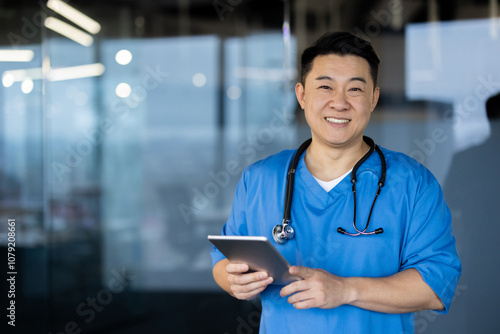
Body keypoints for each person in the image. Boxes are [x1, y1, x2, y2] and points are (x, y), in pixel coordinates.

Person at [211, 32, 462, 333]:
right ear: (302, 95)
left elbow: (435, 285)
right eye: (325, 86)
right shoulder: (260, 179)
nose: (339, 103)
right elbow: (223, 263)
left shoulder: (413, 183)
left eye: (355, 89)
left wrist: (345, 290)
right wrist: (234, 281)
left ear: (373, 99)